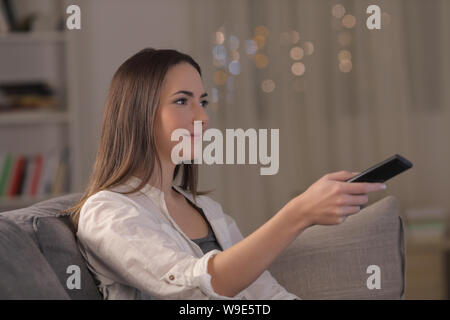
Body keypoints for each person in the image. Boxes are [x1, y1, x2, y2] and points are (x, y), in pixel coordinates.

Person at [64, 48, 386, 300]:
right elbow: (197, 290)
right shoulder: (108, 211)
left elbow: (264, 294)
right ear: (137, 114)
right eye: (182, 101)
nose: (202, 117)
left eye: (203, 102)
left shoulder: (206, 210)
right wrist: (297, 214)